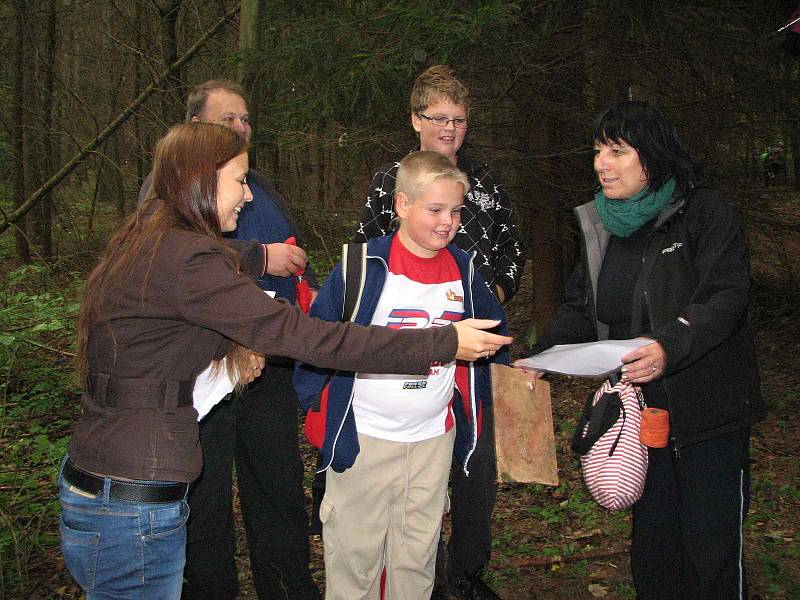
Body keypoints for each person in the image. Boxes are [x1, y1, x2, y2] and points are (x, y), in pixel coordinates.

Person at [58, 122, 513, 599]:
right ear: (201, 181)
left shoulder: (152, 241)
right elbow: (308, 337)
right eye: (239, 180)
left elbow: (173, 321)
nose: (249, 196)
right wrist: (440, 343)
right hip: (134, 498)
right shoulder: (185, 258)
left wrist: (251, 280)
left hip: (110, 482)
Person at [523, 100, 765, 599]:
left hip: (708, 413)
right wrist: (540, 356)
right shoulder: (603, 225)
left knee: (710, 551)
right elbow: (582, 309)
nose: (600, 164)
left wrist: (668, 346)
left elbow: (727, 296)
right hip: (639, 419)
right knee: (654, 552)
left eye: (616, 151)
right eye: (597, 151)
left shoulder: (704, 212)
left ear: (650, 157)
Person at [295, 151, 509, 600]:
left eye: (455, 211)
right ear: (401, 205)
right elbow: (315, 336)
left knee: (417, 560)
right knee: (355, 561)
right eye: (434, 209)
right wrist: (321, 405)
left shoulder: (464, 271)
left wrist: (499, 383)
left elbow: (495, 336)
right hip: (366, 440)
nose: (446, 221)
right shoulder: (362, 267)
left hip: (433, 440)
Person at [139, 79, 322, 600]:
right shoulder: (164, 188)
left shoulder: (260, 184)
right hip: (205, 368)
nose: (241, 127)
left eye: (245, 119)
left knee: (278, 485)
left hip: (269, 362)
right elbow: (169, 255)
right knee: (206, 495)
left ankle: (286, 585)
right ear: (194, 126)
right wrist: (259, 256)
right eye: (228, 120)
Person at [352, 65, 524, 600]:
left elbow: (513, 253)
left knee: (473, 467)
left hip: (477, 353)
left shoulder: (487, 186)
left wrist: (490, 289)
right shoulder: (391, 184)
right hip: (406, 352)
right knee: (410, 469)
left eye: (459, 120)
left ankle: (466, 573)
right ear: (415, 120)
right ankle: (405, 573)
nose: (449, 129)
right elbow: (363, 263)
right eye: (438, 118)